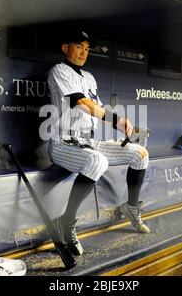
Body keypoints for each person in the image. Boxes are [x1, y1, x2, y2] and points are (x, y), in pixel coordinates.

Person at [46, 29, 150, 256]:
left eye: (87, 48)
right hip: (63, 142)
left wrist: (120, 125)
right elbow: (81, 103)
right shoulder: (59, 71)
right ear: (66, 47)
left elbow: (98, 109)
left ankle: (131, 208)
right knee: (97, 161)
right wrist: (117, 119)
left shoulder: (89, 78)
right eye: (79, 46)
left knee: (140, 153)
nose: (84, 52)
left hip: (89, 142)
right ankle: (67, 221)